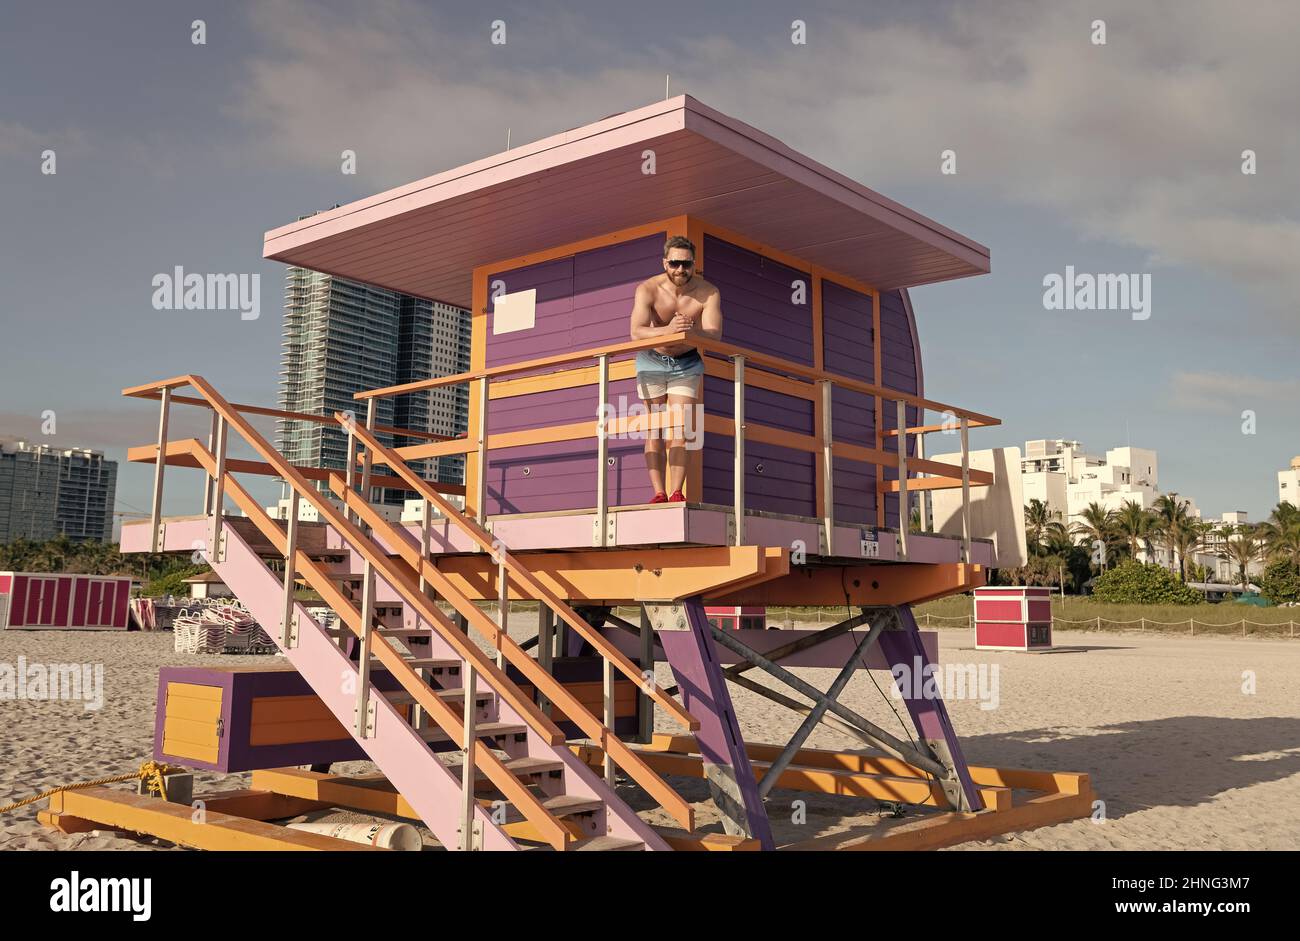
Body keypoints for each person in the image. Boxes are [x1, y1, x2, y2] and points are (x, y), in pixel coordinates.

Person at [628, 236, 722, 503]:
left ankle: (677, 491)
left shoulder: (708, 292)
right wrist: (668, 331)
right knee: (655, 428)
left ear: (694, 264)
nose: (681, 269)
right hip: (652, 360)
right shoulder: (648, 289)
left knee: (681, 426)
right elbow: (636, 332)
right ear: (664, 263)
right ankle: (659, 492)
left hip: (686, 362)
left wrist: (691, 332)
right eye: (675, 263)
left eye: (686, 264)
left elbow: (715, 334)